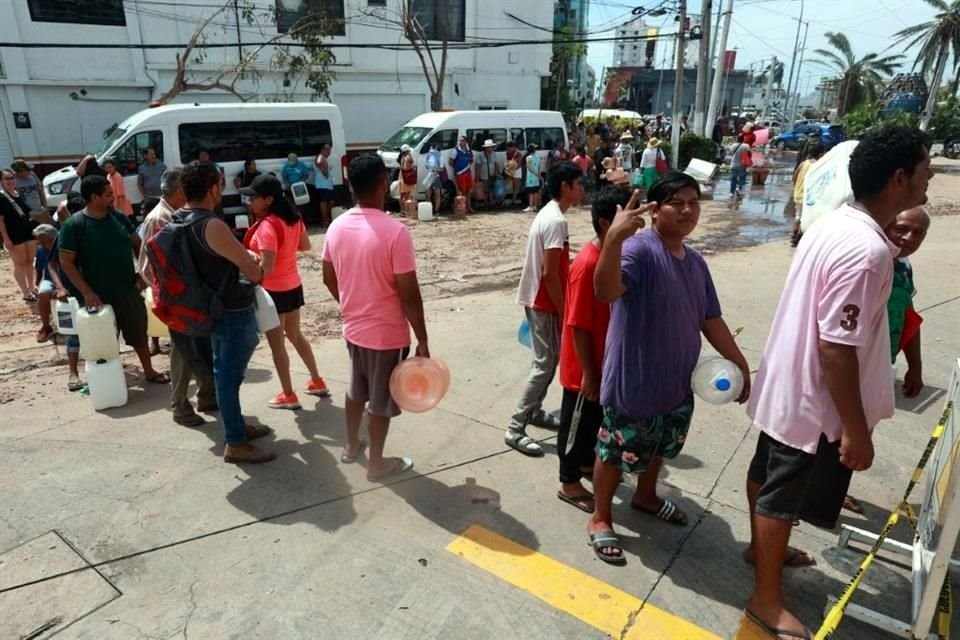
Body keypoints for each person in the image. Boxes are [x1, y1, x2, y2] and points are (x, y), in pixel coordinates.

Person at [742, 126, 931, 638]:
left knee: (766, 473)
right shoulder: (864, 249)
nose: (931, 175)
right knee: (782, 493)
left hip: (789, 385)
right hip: (812, 399)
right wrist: (856, 427)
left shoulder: (833, 223)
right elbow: (836, 346)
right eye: (925, 167)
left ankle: (762, 555)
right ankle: (765, 598)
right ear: (898, 179)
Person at [587, 173, 750, 564]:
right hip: (635, 381)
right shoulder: (639, 249)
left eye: (694, 202)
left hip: (678, 382)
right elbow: (605, 292)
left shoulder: (694, 262)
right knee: (614, 451)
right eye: (678, 202)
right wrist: (613, 240)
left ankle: (645, 495)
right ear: (654, 210)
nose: (688, 210)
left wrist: (740, 363)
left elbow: (710, 319)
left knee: (661, 444)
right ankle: (600, 516)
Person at [322, 155, 429, 480]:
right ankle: (377, 464)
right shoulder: (395, 233)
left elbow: (328, 277)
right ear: (385, 184)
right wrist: (423, 340)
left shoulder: (336, 226)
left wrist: (352, 303)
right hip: (387, 336)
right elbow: (409, 294)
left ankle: (352, 445)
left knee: (357, 389)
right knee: (381, 402)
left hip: (353, 330)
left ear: (351, 186)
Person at [176, 160, 275, 463]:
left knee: (224, 374)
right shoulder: (211, 224)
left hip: (209, 309)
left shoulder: (179, 218)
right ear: (213, 188)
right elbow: (253, 271)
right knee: (229, 378)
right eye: (219, 183)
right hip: (231, 310)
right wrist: (255, 263)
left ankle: (236, 426)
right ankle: (235, 442)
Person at [556, 187, 628, 513]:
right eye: (626, 217)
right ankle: (568, 480)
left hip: (604, 362)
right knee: (576, 423)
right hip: (584, 367)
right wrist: (588, 372)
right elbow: (577, 325)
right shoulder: (588, 264)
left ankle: (586, 463)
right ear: (604, 223)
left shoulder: (613, 258)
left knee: (594, 422)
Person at [507, 161, 585, 456]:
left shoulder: (550, 214)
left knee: (547, 361)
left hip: (539, 299)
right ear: (565, 187)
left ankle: (535, 412)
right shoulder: (556, 221)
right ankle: (516, 426)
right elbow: (550, 274)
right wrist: (566, 311)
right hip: (544, 301)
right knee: (545, 365)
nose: (582, 190)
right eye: (578, 185)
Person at [59, 176, 169, 385]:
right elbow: (66, 262)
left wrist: (142, 272)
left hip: (127, 290)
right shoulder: (75, 225)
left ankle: (149, 371)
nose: (114, 198)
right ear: (94, 197)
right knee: (104, 341)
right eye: (108, 194)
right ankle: (111, 379)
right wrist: (86, 292)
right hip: (96, 296)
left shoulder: (118, 218)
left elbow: (138, 244)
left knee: (138, 332)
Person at [241, 174, 330, 409]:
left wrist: (251, 262)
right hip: (293, 286)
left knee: (277, 346)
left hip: (273, 292)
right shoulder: (292, 218)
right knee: (296, 335)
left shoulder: (268, 226)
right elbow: (305, 246)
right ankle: (316, 380)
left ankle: (288, 394)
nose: (249, 202)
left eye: (253, 198)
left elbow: (266, 269)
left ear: (268, 199)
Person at [139, 167, 216, 426]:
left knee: (200, 347)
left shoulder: (178, 214)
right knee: (182, 352)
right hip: (177, 298)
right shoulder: (160, 219)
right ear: (180, 190)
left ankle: (206, 397)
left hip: (190, 295)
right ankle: (180, 406)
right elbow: (150, 267)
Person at [886, 206, 930, 398]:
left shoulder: (904, 265)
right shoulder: (869, 262)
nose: (909, 238)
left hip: (884, 363)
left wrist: (915, 367)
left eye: (918, 233)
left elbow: (908, 317)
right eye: (901, 229)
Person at [1, 169, 39, 301]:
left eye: (11, 178)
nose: (10, 181)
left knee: (30, 262)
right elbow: (0, 221)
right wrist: (6, 239)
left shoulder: (18, 194)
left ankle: (32, 287)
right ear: (1, 181)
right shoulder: (1, 197)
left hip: (28, 232)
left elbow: (27, 213)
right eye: (7, 178)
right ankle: (26, 292)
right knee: (20, 264)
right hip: (14, 234)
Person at [32, 224, 70, 343]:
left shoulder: (66, 246)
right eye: (39, 242)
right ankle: (46, 326)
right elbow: (39, 269)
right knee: (43, 293)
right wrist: (36, 284)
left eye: (44, 242)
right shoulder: (41, 251)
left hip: (69, 279)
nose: (41, 245)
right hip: (50, 280)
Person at [790, 142, 825, 246]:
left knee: (798, 216)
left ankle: (794, 236)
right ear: (820, 154)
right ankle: (801, 237)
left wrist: (797, 188)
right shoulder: (819, 166)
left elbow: (794, 177)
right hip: (810, 196)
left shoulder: (803, 163)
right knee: (807, 217)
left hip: (798, 193)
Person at [137, 148, 166, 219]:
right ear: (145, 156)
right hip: (149, 199)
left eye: (154, 154)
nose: (154, 156)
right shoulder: (141, 168)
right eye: (151, 154)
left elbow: (166, 179)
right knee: (149, 218)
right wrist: (145, 196)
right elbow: (139, 184)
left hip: (161, 198)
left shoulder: (161, 166)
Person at [450, 136, 475, 213]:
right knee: (462, 191)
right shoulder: (455, 151)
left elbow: (471, 160)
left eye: (462, 140)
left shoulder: (469, 151)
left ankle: (469, 206)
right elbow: (451, 162)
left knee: (468, 191)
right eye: (460, 141)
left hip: (468, 173)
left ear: (466, 142)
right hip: (460, 173)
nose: (461, 142)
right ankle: (462, 207)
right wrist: (458, 169)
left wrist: (466, 167)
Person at [313, 143, 335, 227]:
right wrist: (324, 170)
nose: (328, 151)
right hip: (322, 184)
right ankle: (325, 220)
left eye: (329, 149)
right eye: (327, 149)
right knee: (324, 202)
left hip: (327, 185)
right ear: (322, 150)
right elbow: (319, 161)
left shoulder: (324, 158)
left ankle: (324, 219)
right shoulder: (321, 156)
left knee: (331, 201)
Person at [476, 139, 500, 208]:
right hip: (484, 176)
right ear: (486, 147)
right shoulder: (481, 154)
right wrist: (477, 177)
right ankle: (486, 203)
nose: (491, 148)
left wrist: (497, 173)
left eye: (491, 147)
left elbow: (496, 164)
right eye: (489, 147)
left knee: (492, 189)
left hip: (492, 175)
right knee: (485, 190)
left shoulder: (494, 154)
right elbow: (477, 166)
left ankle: (491, 202)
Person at [424, 141, 444, 213]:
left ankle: (436, 210)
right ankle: (429, 210)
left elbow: (442, 169)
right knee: (427, 194)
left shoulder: (440, 156)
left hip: (436, 176)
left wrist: (435, 169)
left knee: (437, 194)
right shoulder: (429, 155)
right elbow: (426, 166)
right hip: (429, 176)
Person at [729, 134, 751, 199]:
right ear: (743, 139)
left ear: (737, 139)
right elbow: (749, 154)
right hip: (742, 165)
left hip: (733, 165)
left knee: (733, 179)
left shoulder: (733, 145)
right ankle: (738, 189)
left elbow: (731, 153)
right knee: (742, 178)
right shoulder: (746, 146)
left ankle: (731, 193)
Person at [523, 144, 542, 213]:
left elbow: (529, 168)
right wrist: (538, 174)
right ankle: (535, 206)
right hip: (536, 177)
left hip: (530, 177)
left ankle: (530, 206)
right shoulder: (538, 157)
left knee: (531, 192)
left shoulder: (528, 158)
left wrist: (534, 173)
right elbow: (539, 167)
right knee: (535, 192)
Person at [505, 140, 524, 207]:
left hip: (517, 170)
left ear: (513, 147)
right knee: (505, 183)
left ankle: (513, 201)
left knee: (515, 186)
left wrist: (512, 169)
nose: (508, 149)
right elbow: (507, 160)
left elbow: (519, 164)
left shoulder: (518, 153)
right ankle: (503, 199)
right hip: (511, 169)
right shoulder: (508, 152)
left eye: (509, 148)